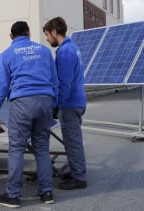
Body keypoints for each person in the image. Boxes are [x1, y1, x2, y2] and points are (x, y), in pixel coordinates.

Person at [0, 21, 59, 208]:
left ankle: (13, 195)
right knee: (42, 148)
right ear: (28, 33)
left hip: (22, 103)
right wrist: (54, 105)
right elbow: (54, 81)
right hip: (45, 101)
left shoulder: (7, 55)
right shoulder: (44, 51)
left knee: (17, 149)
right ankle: (47, 192)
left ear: (11, 36)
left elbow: (0, 88)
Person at [43, 17, 87, 190]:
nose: (47, 39)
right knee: (73, 140)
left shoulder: (65, 52)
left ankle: (79, 177)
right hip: (77, 100)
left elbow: (64, 83)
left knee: (72, 140)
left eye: (47, 34)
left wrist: (57, 105)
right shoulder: (72, 47)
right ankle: (77, 170)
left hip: (69, 103)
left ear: (54, 32)